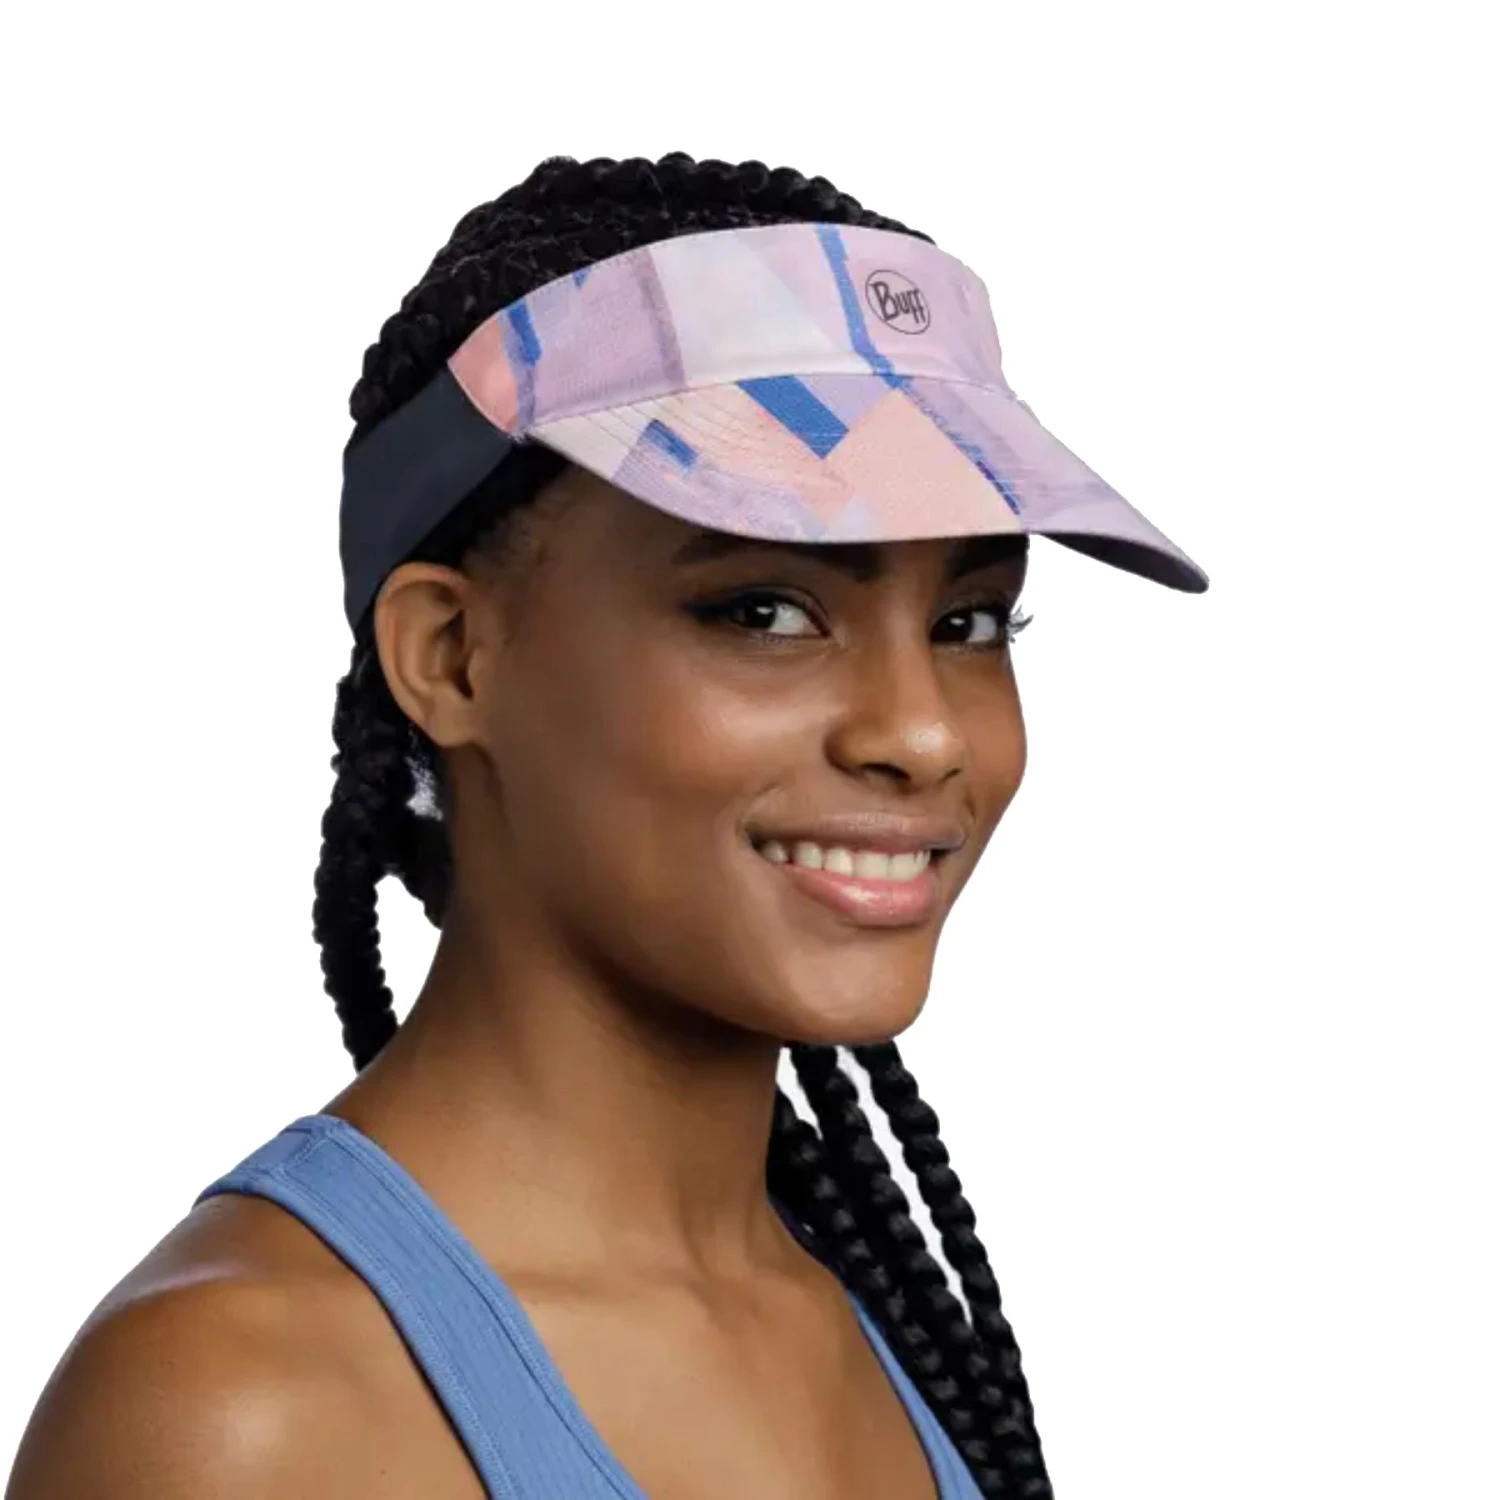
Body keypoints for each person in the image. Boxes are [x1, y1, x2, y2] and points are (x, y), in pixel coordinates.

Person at [6, 151, 1207, 1500]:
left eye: (969, 621)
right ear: (451, 655)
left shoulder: (893, 1326)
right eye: (766, 610)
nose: (923, 733)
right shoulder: (245, 1413)